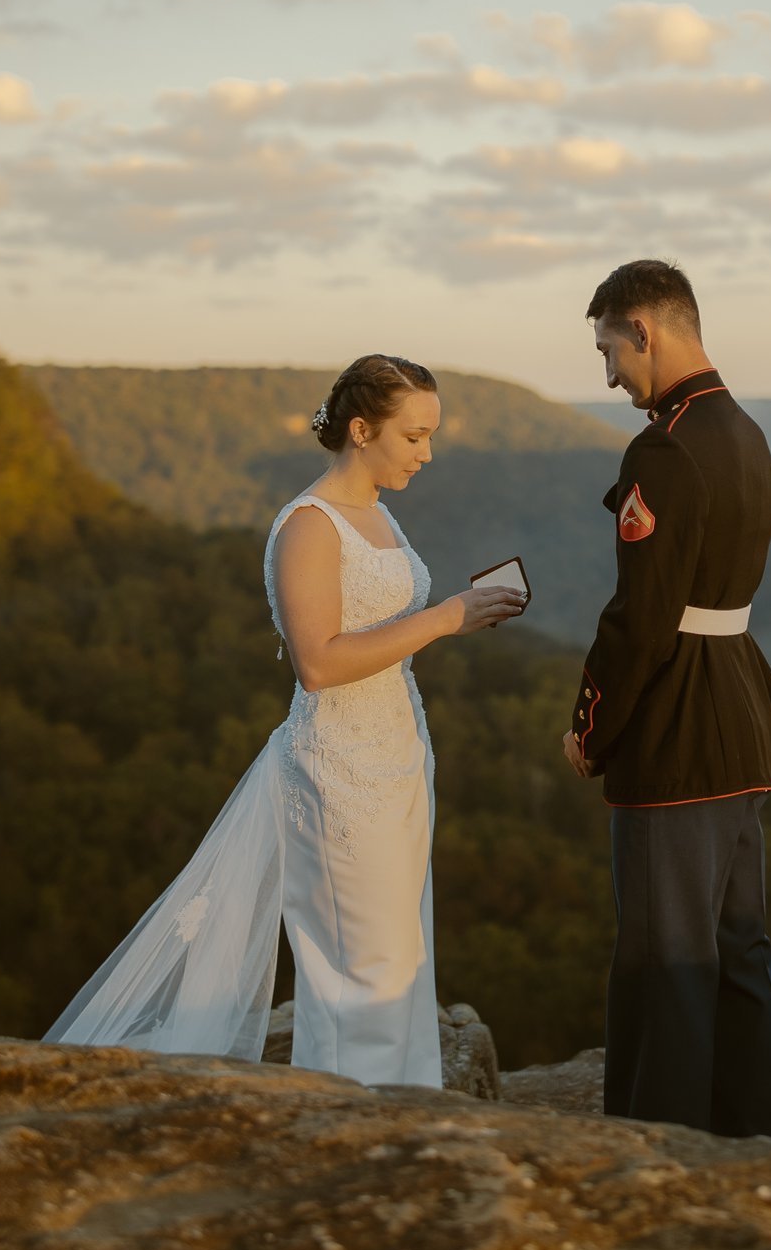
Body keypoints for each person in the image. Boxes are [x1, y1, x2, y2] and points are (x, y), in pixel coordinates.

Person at [44, 355, 525, 1083]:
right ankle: (353, 1131)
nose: (427, 453)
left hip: (399, 759)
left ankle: (405, 1114)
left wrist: (459, 611)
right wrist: (445, 618)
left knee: (400, 956)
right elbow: (320, 662)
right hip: (338, 774)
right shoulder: (308, 525)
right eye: (415, 435)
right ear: (362, 430)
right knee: (358, 967)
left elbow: (386, 622)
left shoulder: (380, 511)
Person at [563, 259, 771, 1142]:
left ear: (646, 330)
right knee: (739, 949)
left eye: (609, 349)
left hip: (675, 726)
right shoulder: (745, 431)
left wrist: (592, 725)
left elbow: (640, 619)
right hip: (740, 711)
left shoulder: (663, 449)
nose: (608, 374)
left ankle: (653, 1157)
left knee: (664, 958)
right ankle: (758, 1144)